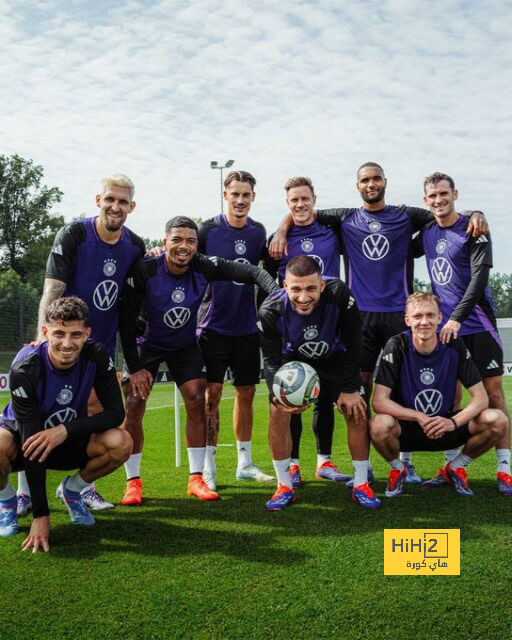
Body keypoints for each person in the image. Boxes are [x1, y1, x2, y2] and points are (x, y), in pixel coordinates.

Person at [269, 162, 487, 486]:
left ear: (385, 181)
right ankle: (365, 465)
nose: (371, 184)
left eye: (376, 178)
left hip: (399, 312)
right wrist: (283, 229)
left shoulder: (406, 216)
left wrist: (476, 213)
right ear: (357, 185)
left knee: (404, 385)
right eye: (365, 180)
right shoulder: (345, 217)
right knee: (360, 390)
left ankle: (406, 462)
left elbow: (443, 211)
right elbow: (304, 210)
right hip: (361, 317)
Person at [119, 216, 278, 502]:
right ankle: (133, 482)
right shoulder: (145, 270)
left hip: (183, 346)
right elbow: (125, 323)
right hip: (146, 345)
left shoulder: (204, 265)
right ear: (164, 241)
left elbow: (253, 272)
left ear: (197, 245)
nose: (184, 246)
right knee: (134, 403)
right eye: (177, 239)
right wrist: (135, 367)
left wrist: (278, 293)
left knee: (196, 397)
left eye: (190, 241)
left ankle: (196, 478)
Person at [16, 174, 144, 516]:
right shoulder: (74, 234)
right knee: (41, 414)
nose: (115, 206)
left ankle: (80, 489)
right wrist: (45, 338)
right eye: (110, 199)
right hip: (62, 341)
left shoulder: (134, 245)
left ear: (132, 206)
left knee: (97, 417)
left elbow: (133, 297)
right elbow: (53, 287)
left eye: (122, 201)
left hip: (99, 347)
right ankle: (27, 491)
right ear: (98, 200)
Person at [0, 297, 131, 552]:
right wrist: (41, 516)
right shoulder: (25, 368)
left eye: (76, 334)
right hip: (25, 440)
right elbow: (31, 444)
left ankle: (72, 491)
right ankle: (6, 501)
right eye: (59, 333)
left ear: (87, 333)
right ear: (45, 331)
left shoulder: (96, 355)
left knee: (121, 442)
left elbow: (116, 413)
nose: (67, 344)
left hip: (67, 437)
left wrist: (65, 429)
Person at [258, 255, 380, 510]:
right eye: (296, 289)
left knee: (356, 410)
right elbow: (271, 361)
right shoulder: (270, 310)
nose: (304, 297)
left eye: (311, 288)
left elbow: (355, 341)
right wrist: (279, 395)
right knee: (277, 411)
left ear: (322, 285)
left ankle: (360, 484)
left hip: (336, 358)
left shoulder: (340, 295)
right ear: (284, 286)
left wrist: (349, 389)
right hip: (294, 362)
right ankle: (283, 485)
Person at [415, 173, 511, 494]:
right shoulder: (426, 231)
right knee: (450, 395)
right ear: (426, 201)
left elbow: (479, 279)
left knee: (494, 395)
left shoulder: (475, 229)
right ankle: (451, 466)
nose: (439, 200)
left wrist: (456, 317)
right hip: (446, 329)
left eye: (444, 193)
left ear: (455, 194)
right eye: (433, 196)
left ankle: (505, 468)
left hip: (477, 325)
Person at [370, 292, 506, 498]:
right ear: (407, 320)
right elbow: (379, 401)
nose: (424, 322)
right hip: (407, 431)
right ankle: (399, 469)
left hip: (446, 427)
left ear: (440, 318)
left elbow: (481, 398)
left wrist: (452, 422)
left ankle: (455, 467)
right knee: (378, 424)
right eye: (417, 316)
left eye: (430, 315)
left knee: (498, 420)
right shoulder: (397, 345)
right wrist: (419, 416)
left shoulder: (453, 344)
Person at [262, 176, 350, 487]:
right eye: (293, 200)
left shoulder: (332, 229)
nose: (300, 204)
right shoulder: (277, 240)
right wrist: (283, 230)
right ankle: (294, 464)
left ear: (314, 199)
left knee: (324, 399)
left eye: (305, 199)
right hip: (294, 330)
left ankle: (324, 462)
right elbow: (267, 281)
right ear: (287, 204)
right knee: (294, 396)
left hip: (329, 326)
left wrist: (285, 224)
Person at [197, 170, 273, 490]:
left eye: (246, 195)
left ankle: (244, 463)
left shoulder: (258, 232)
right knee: (210, 395)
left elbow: (268, 272)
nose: (240, 200)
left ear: (253, 197)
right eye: (235, 194)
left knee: (247, 393)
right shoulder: (208, 230)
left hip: (245, 326)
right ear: (225, 195)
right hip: (212, 325)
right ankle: (208, 466)